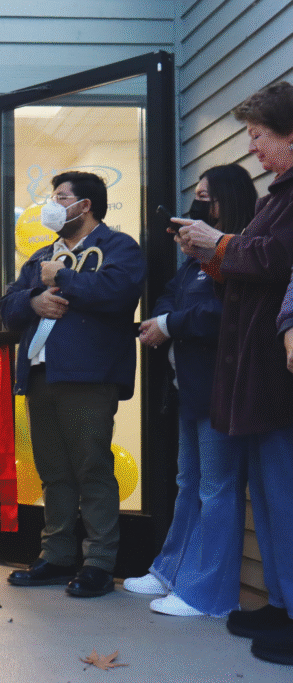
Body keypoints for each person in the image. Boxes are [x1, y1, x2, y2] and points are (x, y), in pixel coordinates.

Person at [175, 81, 293, 667]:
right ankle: (279, 602)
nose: (253, 147)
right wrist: (212, 253)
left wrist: (222, 242)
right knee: (269, 499)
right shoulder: (277, 195)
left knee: (285, 494)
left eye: (259, 135)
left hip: (278, 372)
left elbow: (274, 261)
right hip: (256, 371)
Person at [0, 171, 145, 598]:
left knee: (92, 468)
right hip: (42, 373)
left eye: (61, 197)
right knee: (54, 472)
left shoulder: (119, 247)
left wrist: (61, 279)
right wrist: (33, 300)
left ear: (86, 205)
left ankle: (100, 562)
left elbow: (119, 292)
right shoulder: (42, 255)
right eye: (52, 196)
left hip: (89, 377)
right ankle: (57, 554)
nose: (52, 204)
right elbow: (9, 305)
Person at [125, 164, 257, 617]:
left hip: (222, 390)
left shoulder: (236, 254)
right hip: (189, 389)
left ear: (227, 201)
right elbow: (169, 296)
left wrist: (169, 323)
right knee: (190, 483)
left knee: (218, 489)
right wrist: (163, 318)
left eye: (207, 197)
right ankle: (172, 571)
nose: (198, 204)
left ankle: (209, 595)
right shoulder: (194, 263)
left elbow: (221, 317)